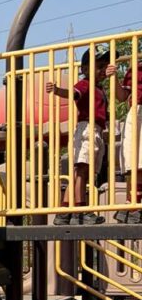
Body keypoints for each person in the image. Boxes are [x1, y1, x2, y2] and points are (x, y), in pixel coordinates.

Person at [46, 47, 115, 225]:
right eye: (99, 66)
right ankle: (80, 211)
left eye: (105, 66)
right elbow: (73, 94)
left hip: (95, 129)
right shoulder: (86, 84)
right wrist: (57, 90)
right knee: (82, 170)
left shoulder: (99, 88)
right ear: (85, 69)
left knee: (80, 171)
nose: (103, 70)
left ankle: (64, 212)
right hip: (87, 129)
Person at [113, 56, 142, 224]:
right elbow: (122, 96)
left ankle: (133, 204)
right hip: (137, 113)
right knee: (134, 161)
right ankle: (132, 204)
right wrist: (114, 77)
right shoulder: (135, 69)